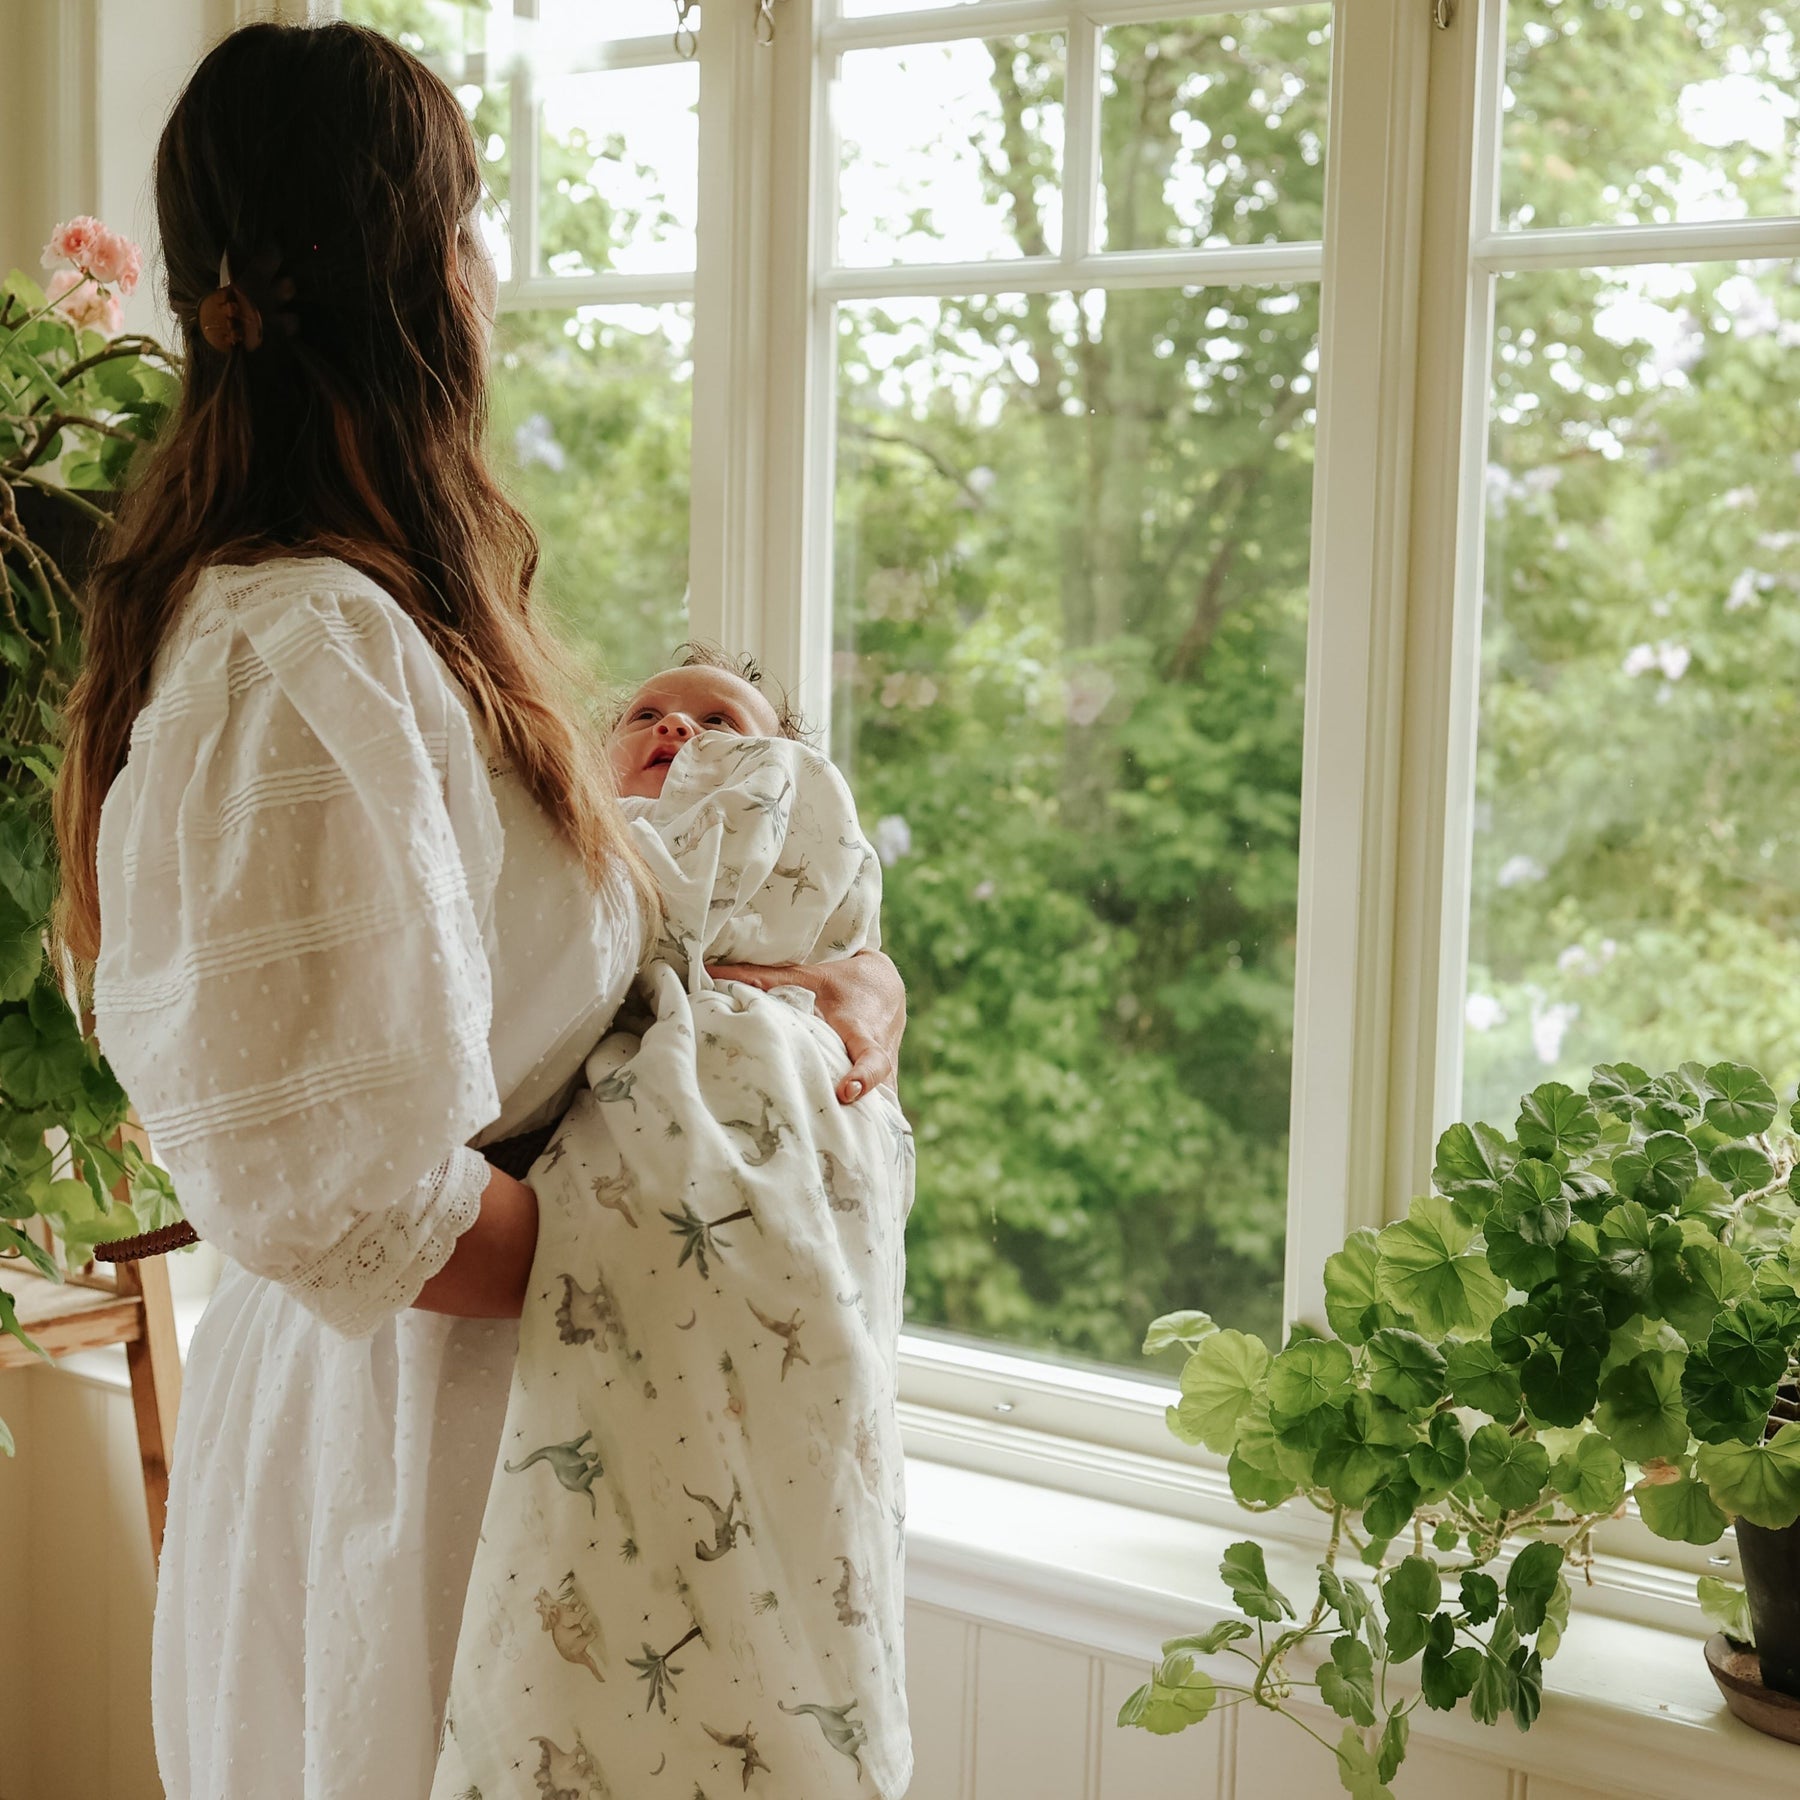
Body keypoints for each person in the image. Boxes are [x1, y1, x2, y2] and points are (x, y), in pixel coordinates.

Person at [52, 24, 903, 1800]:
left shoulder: (389, 624)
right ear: (412, 270)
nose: (489, 269)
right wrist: (708, 1236)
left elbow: (598, 964)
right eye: (468, 222)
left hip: (522, 1432)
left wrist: (836, 1011)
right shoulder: (303, 659)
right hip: (426, 1464)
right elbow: (360, 1207)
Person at [434, 652, 912, 1799]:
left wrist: (863, 979)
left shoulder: (779, 824)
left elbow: (829, 907)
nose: (676, 731)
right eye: (645, 714)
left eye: (718, 721)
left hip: (786, 1145)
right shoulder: (559, 871)